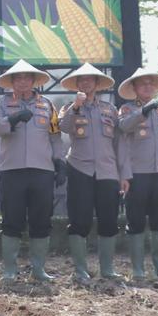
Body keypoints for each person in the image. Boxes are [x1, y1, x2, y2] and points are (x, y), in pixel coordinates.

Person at [0, 59, 64, 282]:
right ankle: (10, 270)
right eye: (17, 78)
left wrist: (59, 162)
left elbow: (55, 136)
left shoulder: (47, 105)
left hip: (42, 170)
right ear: (11, 82)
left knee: (42, 219)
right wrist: (13, 118)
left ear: (34, 81)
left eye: (27, 78)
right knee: (12, 219)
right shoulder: (0, 103)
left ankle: (38, 270)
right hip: (11, 170)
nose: (22, 82)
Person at [58, 63, 120, 283]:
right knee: (79, 220)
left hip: (108, 170)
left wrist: (124, 174)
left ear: (97, 83)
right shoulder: (69, 108)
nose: (86, 83)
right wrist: (76, 106)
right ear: (76, 84)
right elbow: (64, 127)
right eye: (81, 80)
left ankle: (107, 269)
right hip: (79, 168)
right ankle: (80, 270)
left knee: (109, 220)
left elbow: (119, 143)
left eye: (90, 79)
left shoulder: (110, 110)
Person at [115, 68, 158, 280]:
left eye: (151, 83)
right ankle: (138, 269)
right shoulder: (127, 109)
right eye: (143, 83)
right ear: (134, 88)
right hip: (137, 174)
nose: (148, 86)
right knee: (136, 220)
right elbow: (123, 130)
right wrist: (124, 174)